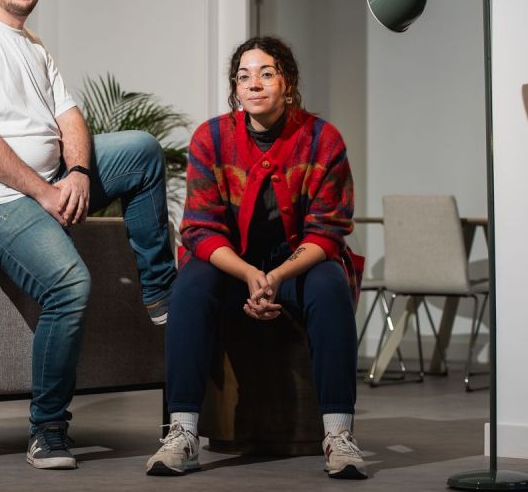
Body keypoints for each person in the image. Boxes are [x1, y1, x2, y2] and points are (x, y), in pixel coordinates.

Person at [0, 0, 176, 471]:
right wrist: (43, 192)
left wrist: (79, 172)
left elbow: (70, 117)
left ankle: (160, 294)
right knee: (68, 285)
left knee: (140, 150)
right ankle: (47, 429)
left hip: (48, 178)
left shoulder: (33, 44)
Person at [145, 36, 367, 480]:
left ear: (288, 83)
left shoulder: (322, 139)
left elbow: (328, 231)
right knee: (188, 287)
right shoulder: (211, 138)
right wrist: (249, 273)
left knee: (330, 285)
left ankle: (338, 435)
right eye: (244, 77)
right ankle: (182, 433)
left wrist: (276, 276)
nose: (254, 84)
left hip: (296, 265)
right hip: (233, 265)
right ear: (235, 88)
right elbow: (200, 229)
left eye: (267, 73)